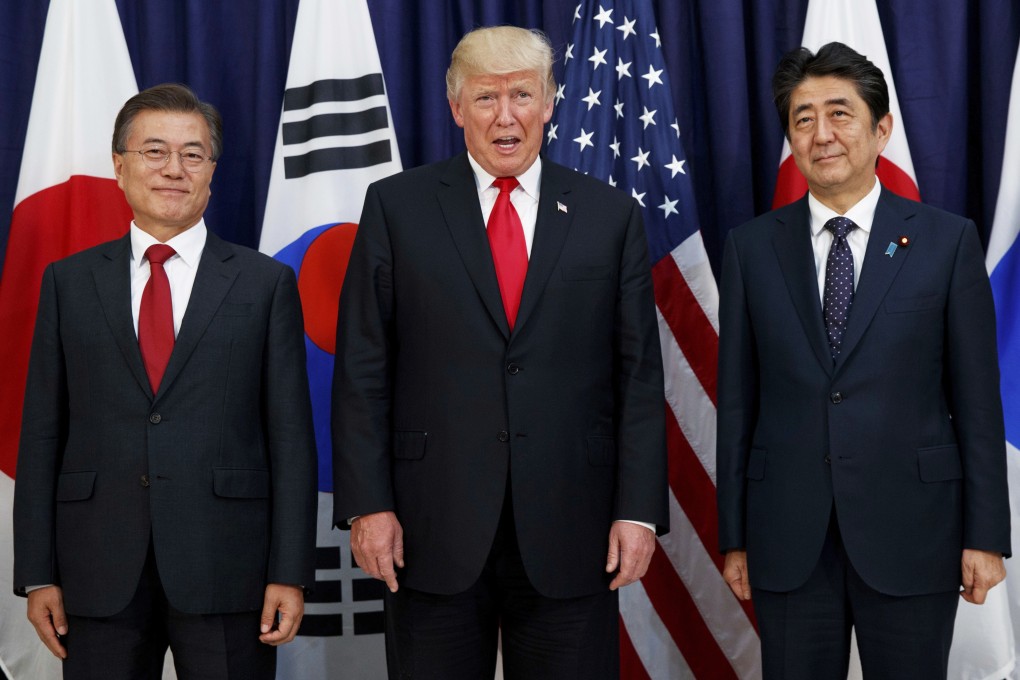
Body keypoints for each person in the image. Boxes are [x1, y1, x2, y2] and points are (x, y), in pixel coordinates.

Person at [332, 26, 668, 679]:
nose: (506, 116)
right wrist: (368, 505)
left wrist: (638, 509)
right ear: (457, 109)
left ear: (549, 104)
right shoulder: (397, 208)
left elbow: (638, 375)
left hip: (574, 530)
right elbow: (363, 369)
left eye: (523, 94)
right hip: (430, 531)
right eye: (486, 98)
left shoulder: (610, 215)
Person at [717, 42, 1010, 679]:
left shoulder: (946, 241)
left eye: (840, 114)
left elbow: (978, 403)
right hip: (789, 537)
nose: (821, 134)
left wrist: (986, 536)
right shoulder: (750, 250)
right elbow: (738, 402)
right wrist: (734, 534)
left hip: (915, 532)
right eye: (802, 118)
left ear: (882, 129)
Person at [13, 83, 317, 679]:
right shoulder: (67, 283)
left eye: (193, 154)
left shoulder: (265, 284)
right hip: (96, 571)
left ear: (211, 172)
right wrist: (37, 571)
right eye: (155, 151)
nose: (174, 169)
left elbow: (290, 439)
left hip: (229, 567)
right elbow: (42, 433)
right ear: (120, 167)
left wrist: (290, 569)